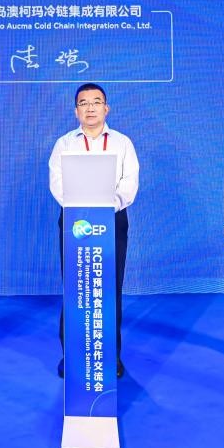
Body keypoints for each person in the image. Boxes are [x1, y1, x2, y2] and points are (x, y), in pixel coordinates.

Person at [48, 83, 138, 378]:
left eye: (96, 102)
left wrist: (104, 208)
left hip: (112, 221)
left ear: (106, 108)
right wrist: (81, 207)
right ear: (76, 111)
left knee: (108, 289)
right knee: (76, 287)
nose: (90, 108)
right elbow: (57, 183)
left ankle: (111, 355)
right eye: (83, 103)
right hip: (75, 221)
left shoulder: (122, 143)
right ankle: (71, 355)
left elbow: (129, 184)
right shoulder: (65, 144)